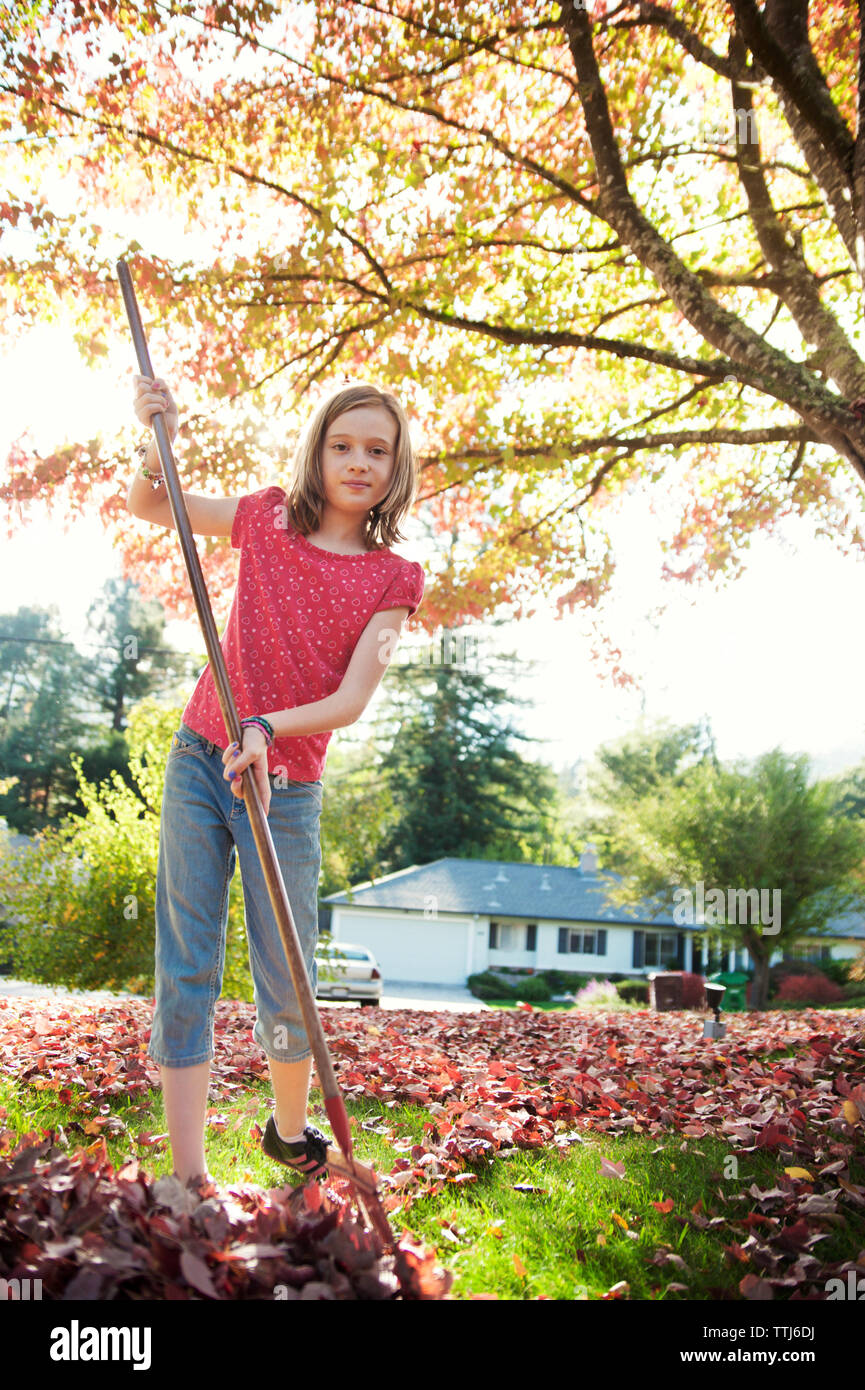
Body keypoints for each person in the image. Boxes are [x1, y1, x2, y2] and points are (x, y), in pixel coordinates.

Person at [127, 373, 425, 1189]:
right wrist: (156, 435)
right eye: (342, 445)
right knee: (186, 964)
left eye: (377, 450)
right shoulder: (263, 519)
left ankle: (288, 1135)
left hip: (283, 788)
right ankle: (186, 1178)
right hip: (201, 757)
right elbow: (156, 506)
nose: (357, 462)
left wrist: (266, 727)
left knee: (287, 977)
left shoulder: (394, 579)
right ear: (316, 451)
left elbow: (352, 700)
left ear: (395, 467)